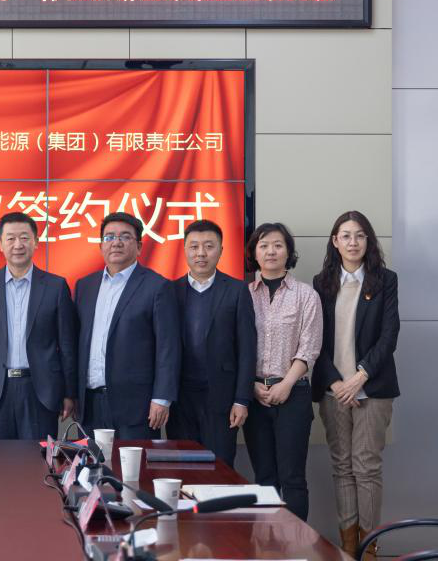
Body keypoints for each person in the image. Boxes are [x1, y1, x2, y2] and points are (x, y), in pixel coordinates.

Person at [312, 211, 399, 559]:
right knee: (343, 467)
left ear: (368, 241)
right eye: (346, 236)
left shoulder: (385, 280)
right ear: (335, 241)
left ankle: (370, 547)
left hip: (371, 388)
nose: (353, 242)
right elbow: (315, 339)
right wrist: (336, 383)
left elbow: (389, 335)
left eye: (360, 235)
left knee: (366, 467)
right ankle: (349, 547)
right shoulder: (322, 283)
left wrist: (360, 376)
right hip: (334, 390)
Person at [0, 212, 78, 440]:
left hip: (40, 391)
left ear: (36, 242)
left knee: (37, 459)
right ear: (0, 244)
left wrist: (70, 393)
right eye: (10, 238)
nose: (18, 245)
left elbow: (67, 345)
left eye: (25, 238)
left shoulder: (55, 286)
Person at [75, 212, 180, 439]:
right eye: (109, 237)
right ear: (101, 246)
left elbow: (168, 347)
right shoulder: (85, 286)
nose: (116, 242)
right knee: (91, 462)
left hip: (136, 406)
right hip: (89, 403)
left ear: (139, 246)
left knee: (134, 463)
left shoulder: (157, 286)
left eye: (125, 236)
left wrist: (162, 399)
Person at [242, 222, 322, 522]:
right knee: (264, 477)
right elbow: (236, 347)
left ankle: (297, 544)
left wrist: (286, 384)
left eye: (278, 245)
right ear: (254, 253)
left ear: (288, 252)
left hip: (293, 394)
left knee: (292, 478)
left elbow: (309, 347)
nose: (271, 251)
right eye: (263, 246)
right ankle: (268, 543)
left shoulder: (306, 295)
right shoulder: (244, 295)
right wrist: (251, 385)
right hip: (255, 396)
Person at [166, 220, 257, 468]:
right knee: (182, 468)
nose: (201, 253)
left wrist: (242, 400)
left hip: (221, 398)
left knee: (219, 467)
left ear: (221, 250)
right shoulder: (170, 291)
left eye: (209, 246)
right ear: (185, 250)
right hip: (180, 398)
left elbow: (247, 349)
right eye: (194, 246)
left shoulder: (237, 290)